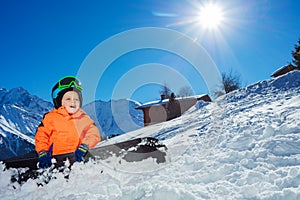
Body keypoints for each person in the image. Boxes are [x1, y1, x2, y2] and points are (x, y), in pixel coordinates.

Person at [35, 76, 101, 169]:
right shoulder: (51, 118)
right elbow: (42, 135)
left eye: (76, 99)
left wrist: (85, 146)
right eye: (68, 99)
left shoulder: (83, 118)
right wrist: (42, 152)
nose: (73, 102)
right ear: (59, 101)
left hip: (77, 156)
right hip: (55, 159)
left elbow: (93, 133)